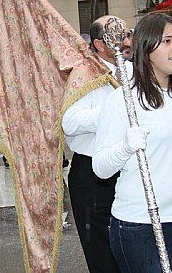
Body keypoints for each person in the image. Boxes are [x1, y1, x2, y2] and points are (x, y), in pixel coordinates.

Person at [92, 13, 172, 273]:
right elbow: (101, 168)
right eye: (167, 41)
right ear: (146, 47)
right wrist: (126, 147)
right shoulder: (122, 101)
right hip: (140, 225)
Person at [61, 14, 132, 273]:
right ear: (99, 44)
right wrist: (113, 112)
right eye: (117, 35)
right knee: (102, 254)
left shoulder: (135, 71)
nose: (126, 41)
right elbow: (69, 122)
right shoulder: (84, 73)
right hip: (92, 176)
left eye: (127, 34)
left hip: (129, 170)